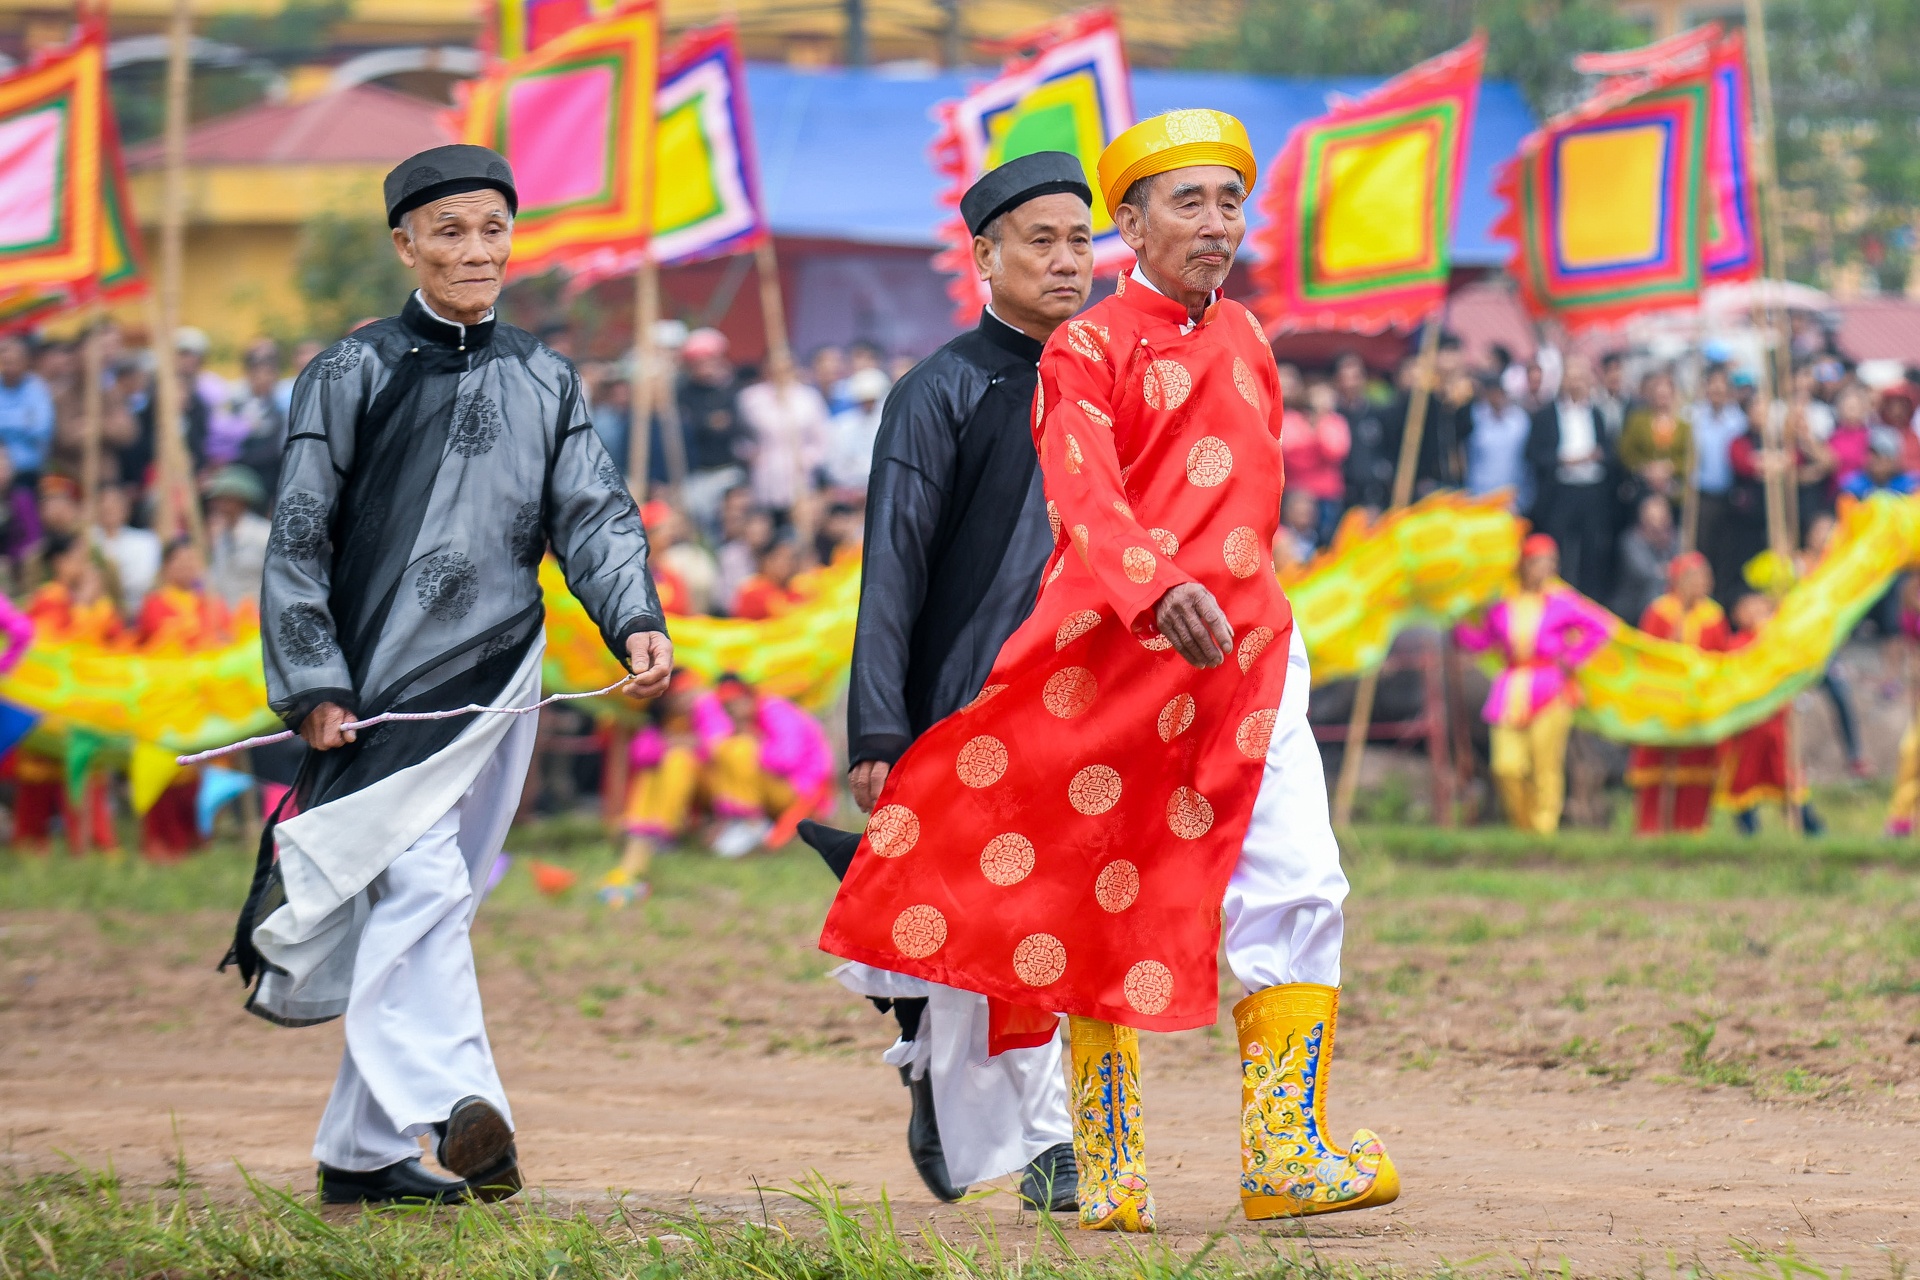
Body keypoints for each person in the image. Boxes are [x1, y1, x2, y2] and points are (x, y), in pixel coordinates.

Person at [819, 112, 1397, 1231]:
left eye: (1232, 200)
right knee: (1100, 896)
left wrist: (1232, 599)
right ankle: (1107, 1165)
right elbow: (1082, 495)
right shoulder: (1082, 350)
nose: (1217, 224)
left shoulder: (1254, 340)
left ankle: (1284, 1150)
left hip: (1253, 656)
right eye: (1189, 202)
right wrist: (1151, 586)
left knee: (1304, 879)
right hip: (1120, 666)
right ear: (1131, 224)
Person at [231, 144, 672, 1207]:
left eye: (493, 229)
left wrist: (635, 619)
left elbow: (594, 516)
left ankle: (361, 1151)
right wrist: (314, 680)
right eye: (451, 230)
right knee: (420, 884)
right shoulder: (351, 371)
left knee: (443, 898)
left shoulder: (543, 374)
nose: (476, 250)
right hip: (380, 681)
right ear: (407, 244)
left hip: (502, 675)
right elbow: (297, 534)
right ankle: (454, 1102)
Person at [798, 152, 1097, 1214]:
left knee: (1056, 910)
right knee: (997, 910)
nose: (1067, 261)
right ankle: (1043, 1132)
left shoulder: (1110, 380)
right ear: (985, 256)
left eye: (1079, 239)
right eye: (1040, 241)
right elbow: (896, 566)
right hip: (970, 699)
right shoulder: (941, 390)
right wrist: (880, 724)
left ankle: (977, 1083)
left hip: (1095, 698)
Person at [1453, 534, 1614, 835]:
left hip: (1550, 686)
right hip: (1510, 688)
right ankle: (1524, 825)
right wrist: (1455, 624)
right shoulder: (1503, 605)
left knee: (1546, 764)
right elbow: (1483, 640)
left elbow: (1600, 627)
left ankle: (1544, 828)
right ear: (1525, 566)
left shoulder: (1562, 603)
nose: (1546, 569)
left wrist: (1572, 657)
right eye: (1540, 562)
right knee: (1506, 766)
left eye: (1551, 563)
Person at [15, 536, 117, 854]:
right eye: (78, 559)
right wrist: (85, 607)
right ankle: (35, 841)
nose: (85, 566)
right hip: (50, 703)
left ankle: (89, 841)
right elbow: (59, 650)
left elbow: (111, 641)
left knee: (86, 771)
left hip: (82, 700)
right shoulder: (49, 599)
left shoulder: (80, 600)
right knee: (42, 775)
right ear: (59, 563)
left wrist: (92, 605)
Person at [1625, 553, 1729, 834]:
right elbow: (1646, 655)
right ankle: (1651, 828)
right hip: (1664, 697)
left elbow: (1722, 658)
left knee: (1696, 765)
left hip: (1697, 700)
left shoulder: (1714, 616)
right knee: (1657, 764)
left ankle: (1691, 828)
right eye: (1695, 577)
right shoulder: (1660, 612)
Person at [1717, 593, 1822, 836]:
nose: (1755, 613)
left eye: (1761, 608)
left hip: (1777, 723)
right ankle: (1748, 830)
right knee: (1744, 778)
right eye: (1748, 608)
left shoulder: (1779, 641)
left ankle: (1809, 826)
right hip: (1748, 725)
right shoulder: (1736, 645)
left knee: (1785, 773)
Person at [1526, 356, 1614, 601]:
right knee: (1558, 546)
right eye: (1572, 376)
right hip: (1560, 491)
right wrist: (1563, 460)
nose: (1577, 382)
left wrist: (1598, 456)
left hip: (1591, 490)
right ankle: (1553, 597)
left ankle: (1587, 601)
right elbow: (1533, 454)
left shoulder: (1595, 413)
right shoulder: (1546, 414)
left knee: (1591, 550)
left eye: (1582, 377)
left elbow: (1608, 448)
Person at [737, 355, 830, 519]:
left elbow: (822, 440)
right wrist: (748, 454)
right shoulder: (751, 398)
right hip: (766, 476)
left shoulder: (808, 398)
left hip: (800, 476)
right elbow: (740, 436)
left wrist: (808, 460)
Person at [675, 328, 749, 529]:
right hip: (696, 473)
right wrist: (709, 423)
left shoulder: (729, 391)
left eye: (710, 361)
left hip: (727, 469)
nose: (705, 368)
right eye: (699, 362)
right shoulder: (683, 393)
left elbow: (734, 426)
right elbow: (689, 428)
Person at [1690, 367, 1748, 607]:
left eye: (1721, 387)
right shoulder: (1694, 417)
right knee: (1702, 550)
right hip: (1701, 496)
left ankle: (1722, 603)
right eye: (1712, 386)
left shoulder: (1738, 420)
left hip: (1729, 496)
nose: (1716, 391)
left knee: (1727, 554)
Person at [1278, 368, 1347, 544]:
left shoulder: (1335, 421)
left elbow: (1335, 452)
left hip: (1327, 494)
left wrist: (1319, 427)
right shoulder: (1290, 419)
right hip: (1295, 493)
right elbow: (1290, 455)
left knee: (1326, 542)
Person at [1617, 371, 1692, 508]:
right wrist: (1646, 469)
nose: (1662, 398)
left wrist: (1670, 467)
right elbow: (1625, 452)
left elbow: (1690, 459)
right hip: (1642, 488)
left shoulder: (1685, 427)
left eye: (1666, 395)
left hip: (1673, 491)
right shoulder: (1637, 420)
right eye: (1659, 394)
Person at [204, 465, 272, 612]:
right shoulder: (221, 538)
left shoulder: (264, 534)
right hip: (229, 620)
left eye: (224, 500)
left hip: (258, 618)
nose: (218, 506)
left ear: (240, 501)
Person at [1335, 352, 1396, 516]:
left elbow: (1390, 449)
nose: (1350, 383)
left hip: (1376, 496)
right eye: (1345, 377)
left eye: (1355, 377)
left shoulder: (1378, 413)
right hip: (1343, 498)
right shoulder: (1332, 415)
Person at [1465, 373, 1532, 511]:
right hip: (1479, 494)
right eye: (1492, 393)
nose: (1497, 397)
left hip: (1511, 496)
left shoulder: (1520, 420)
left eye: (1500, 393)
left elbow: (1527, 457)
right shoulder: (1475, 417)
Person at [232, 340, 291, 496]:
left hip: (271, 472)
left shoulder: (283, 403)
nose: (262, 378)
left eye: (268, 373)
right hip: (240, 470)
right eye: (257, 372)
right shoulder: (236, 401)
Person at [91, 482, 160, 611]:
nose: (108, 507)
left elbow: (145, 581)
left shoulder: (146, 541)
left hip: (137, 609)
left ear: (126, 507)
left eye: (114, 503)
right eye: (103, 503)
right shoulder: (88, 539)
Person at [822, 366, 890, 492]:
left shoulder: (889, 424)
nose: (868, 405)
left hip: (882, 489)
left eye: (872, 400)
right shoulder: (842, 425)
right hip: (848, 492)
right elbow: (835, 468)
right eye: (864, 400)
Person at [1611, 494, 1677, 622]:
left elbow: (1681, 568)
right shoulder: (1631, 541)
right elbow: (1645, 572)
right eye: (1653, 518)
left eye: (1662, 518)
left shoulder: (1675, 539)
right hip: (1634, 605)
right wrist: (1669, 570)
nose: (1658, 524)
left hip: (1666, 604)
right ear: (1643, 518)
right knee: (1654, 586)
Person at [0, 335, 55, 487]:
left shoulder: (37, 389)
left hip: (28, 470)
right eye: (5, 362)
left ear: (25, 362)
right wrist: (23, 419)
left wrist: (5, 422)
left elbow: (41, 429)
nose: (9, 366)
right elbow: (30, 424)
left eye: (14, 361)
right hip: (1, 469)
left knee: (24, 503)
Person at [730, 533, 805, 620]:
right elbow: (781, 610)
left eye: (790, 559)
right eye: (779, 558)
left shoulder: (794, 588)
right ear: (765, 561)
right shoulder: (752, 589)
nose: (786, 564)